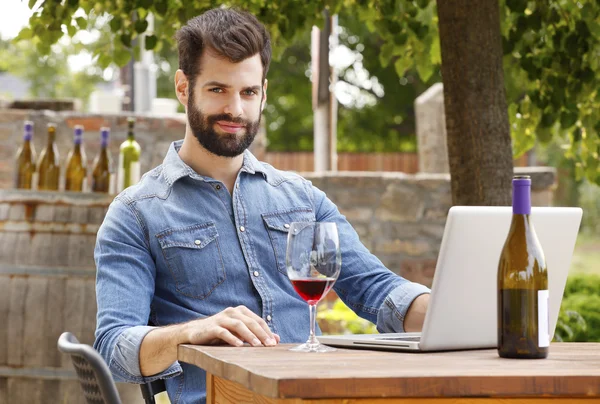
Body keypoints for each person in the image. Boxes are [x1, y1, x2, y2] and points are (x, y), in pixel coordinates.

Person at [93, 7, 430, 404]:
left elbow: (379, 290)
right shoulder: (136, 213)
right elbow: (114, 347)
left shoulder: (303, 198)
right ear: (184, 88)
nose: (235, 109)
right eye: (218, 89)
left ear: (263, 93)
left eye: (248, 92)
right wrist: (191, 332)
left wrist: (451, 314)